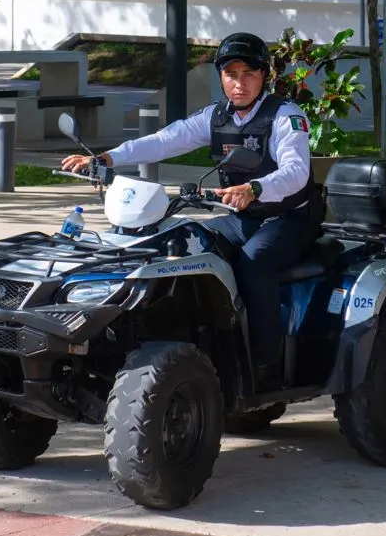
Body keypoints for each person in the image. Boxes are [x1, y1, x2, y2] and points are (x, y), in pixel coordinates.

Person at [61, 32, 322, 385]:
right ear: (221, 78)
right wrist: (108, 156)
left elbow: (296, 172)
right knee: (189, 242)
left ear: (265, 76)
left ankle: (264, 364)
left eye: (248, 73)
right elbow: (166, 140)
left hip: (289, 218)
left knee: (254, 264)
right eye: (231, 74)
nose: (239, 83)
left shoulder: (285, 116)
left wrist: (255, 188)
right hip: (244, 218)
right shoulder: (217, 117)